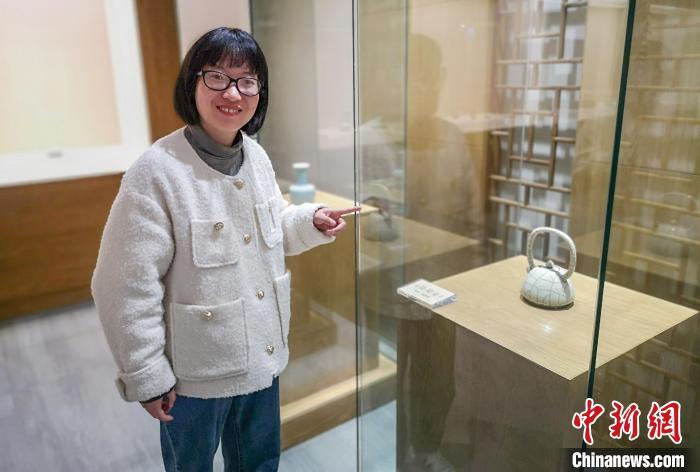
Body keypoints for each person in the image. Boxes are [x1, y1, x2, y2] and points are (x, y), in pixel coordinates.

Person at [91, 27, 359, 471]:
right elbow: (123, 285)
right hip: (194, 376)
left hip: (261, 357)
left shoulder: (256, 157)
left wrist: (308, 221)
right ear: (192, 83)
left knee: (260, 462)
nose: (233, 93)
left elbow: (272, 228)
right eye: (217, 76)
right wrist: (147, 375)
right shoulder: (156, 172)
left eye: (248, 81)